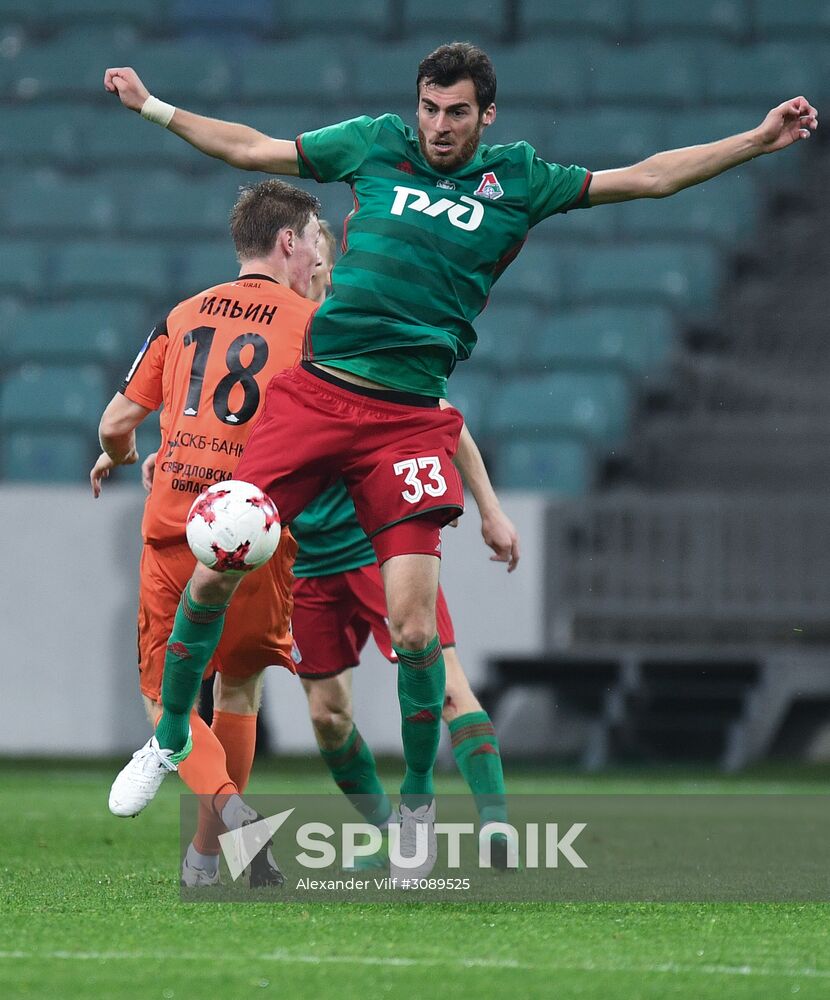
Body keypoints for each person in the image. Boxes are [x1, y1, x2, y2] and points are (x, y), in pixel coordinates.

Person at [103, 42, 817, 878]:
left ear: (487, 116)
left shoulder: (519, 180)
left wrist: (754, 141)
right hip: (317, 396)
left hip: (408, 419)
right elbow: (254, 149)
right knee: (214, 558)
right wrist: (155, 108)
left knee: (414, 630)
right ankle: (165, 742)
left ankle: (413, 803)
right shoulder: (373, 143)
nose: (439, 127)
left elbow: (649, 176)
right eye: (429, 109)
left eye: (457, 113)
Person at [94, 178, 322, 887]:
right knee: (240, 689)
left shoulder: (184, 313)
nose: (318, 253)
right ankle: (203, 861)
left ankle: (230, 814)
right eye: (315, 238)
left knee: (166, 698)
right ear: (288, 242)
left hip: (179, 525)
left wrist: (125, 456)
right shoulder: (315, 324)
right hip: (261, 530)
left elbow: (113, 425)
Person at [292, 229, 518, 868]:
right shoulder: (270, 342)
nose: (310, 260)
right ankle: (396, 835)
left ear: (329, 267)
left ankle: (496, 826)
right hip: (304, 562)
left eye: (319, 248)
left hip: (376, 546)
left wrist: (490, 510)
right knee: (327, 717)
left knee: (444, 681)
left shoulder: (352, 333)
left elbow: (439, 413)